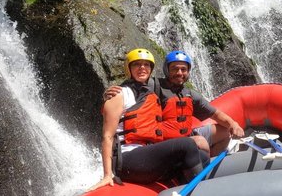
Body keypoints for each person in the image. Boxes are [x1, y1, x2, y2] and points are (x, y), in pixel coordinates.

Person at [88, 48, 207, 192]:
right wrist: (107, 174)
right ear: (129, 68)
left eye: (146, 65)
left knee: (202, 156)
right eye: (137, 64)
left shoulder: (150, 93)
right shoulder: (119, 94)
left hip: (146, 156)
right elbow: (107, 136)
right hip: (128, 159)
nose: (142, 68)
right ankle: (202, 195)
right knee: (187, 144)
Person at [104, 50, 245, 157]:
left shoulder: (190, 94)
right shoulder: (154, 85)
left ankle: (210, 163)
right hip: (163, 141)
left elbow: (216, 114)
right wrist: (109, 93)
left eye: (183, 69)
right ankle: (198, 170)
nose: (179, 73)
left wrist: (233, 124)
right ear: (167, 70)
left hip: (187, 135)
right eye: (175, 69)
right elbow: (134, 84)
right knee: (201, 142)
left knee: (225, 131)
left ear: (188, 72)